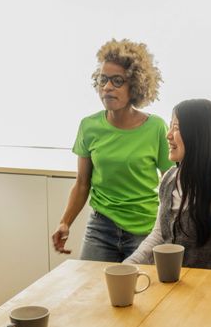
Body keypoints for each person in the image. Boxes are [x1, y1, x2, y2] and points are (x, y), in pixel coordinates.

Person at [52, 39, 173, 262]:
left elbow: (172, 184)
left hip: (144, 228)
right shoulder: (89, 126)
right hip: (101, 226)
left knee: (143, 293)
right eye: (103, 80)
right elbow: (82, 183)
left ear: (135, 85)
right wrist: (65, 222)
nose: (107, 87)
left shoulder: (155, 127)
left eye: (117, 81)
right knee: (90, 291)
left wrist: (172, 230)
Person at [125, 98, 211, 272]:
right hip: (171, 285)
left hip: (209, 291)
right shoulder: (169, 179)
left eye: (176, 128)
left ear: (198, 136)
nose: (168, 135)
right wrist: (128, 265)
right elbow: (159, 235)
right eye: (170, 126)